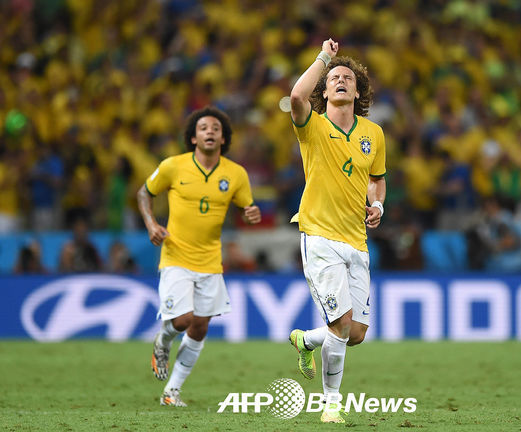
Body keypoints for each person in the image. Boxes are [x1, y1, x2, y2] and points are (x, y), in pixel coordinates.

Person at [287, 39, 386, 423]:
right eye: (334, 79)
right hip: (319, 236)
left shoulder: (373, 134)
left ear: (357, 92)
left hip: (356, 241)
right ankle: (331, 405)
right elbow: (297, 96)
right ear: (325, 91)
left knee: (355, 332)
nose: (341, 81)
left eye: (348, 78)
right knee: (341, 323)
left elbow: (376, 179)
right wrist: (324, 58)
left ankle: (305, 340)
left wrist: (377, 204)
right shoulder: (312, 127)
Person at [137, 106, 261, 407]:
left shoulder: (236, 174)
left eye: (215, 129)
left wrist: (251, 215)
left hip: (210, 260)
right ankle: (163, 339)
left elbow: (246, 209)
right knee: (182, 320)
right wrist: (151, 224)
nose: (210, 132)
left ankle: (172, 392)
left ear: (223, 138)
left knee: (200, 326)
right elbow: (144, 193)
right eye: (203, 128)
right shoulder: (173, 166)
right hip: (176, 256)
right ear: (193, 138)